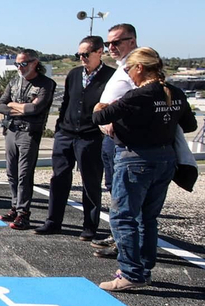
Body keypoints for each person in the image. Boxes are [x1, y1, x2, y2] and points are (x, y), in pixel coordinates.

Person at [90, 47, 196, 292]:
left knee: (122, 216)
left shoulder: (138, 95)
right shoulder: (175, 93)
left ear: (140, 67)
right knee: (147, 217)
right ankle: (144, 268)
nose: (128, 75)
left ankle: (131, 272)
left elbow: (99, 117)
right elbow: (189, 124)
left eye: (128, 69)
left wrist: (100, 106)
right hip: (165, 159)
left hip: (135, 159)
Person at [36, 36, 113, 238]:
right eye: (79, 54)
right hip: (66, 134)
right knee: (59, 179)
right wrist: (60, 128)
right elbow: (66, 103)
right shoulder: (74, 74)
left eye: (86, 54)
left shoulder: (111, 77)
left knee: (90, 182)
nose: (82, 58)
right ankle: (53, 222)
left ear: (99, 52)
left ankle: (89, 226)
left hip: (91, 137)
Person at [92, 22, 143, 255]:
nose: (111, 47)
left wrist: (114, 118)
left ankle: (128, 247)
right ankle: (118, 237)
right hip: (111, 139)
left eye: (116, 42)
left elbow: (142, 99)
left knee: (127, 196)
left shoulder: (137, 67)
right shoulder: (122, 67)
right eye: (108, 43)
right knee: (114, 189)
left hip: (126, 141)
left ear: (131, 41)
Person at [0, 49, 56, 229]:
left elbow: (34, 110)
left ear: (34, 63)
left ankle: (23, 213)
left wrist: (13, 106)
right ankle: (14, 206)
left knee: (24, 174)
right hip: (12, 130)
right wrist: (19, 107)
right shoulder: (14, 81)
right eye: (17, 64)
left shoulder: (46, 84)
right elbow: (0, 106)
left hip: (29, 133)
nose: (19, 68)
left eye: (23, 64)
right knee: (11, 173)